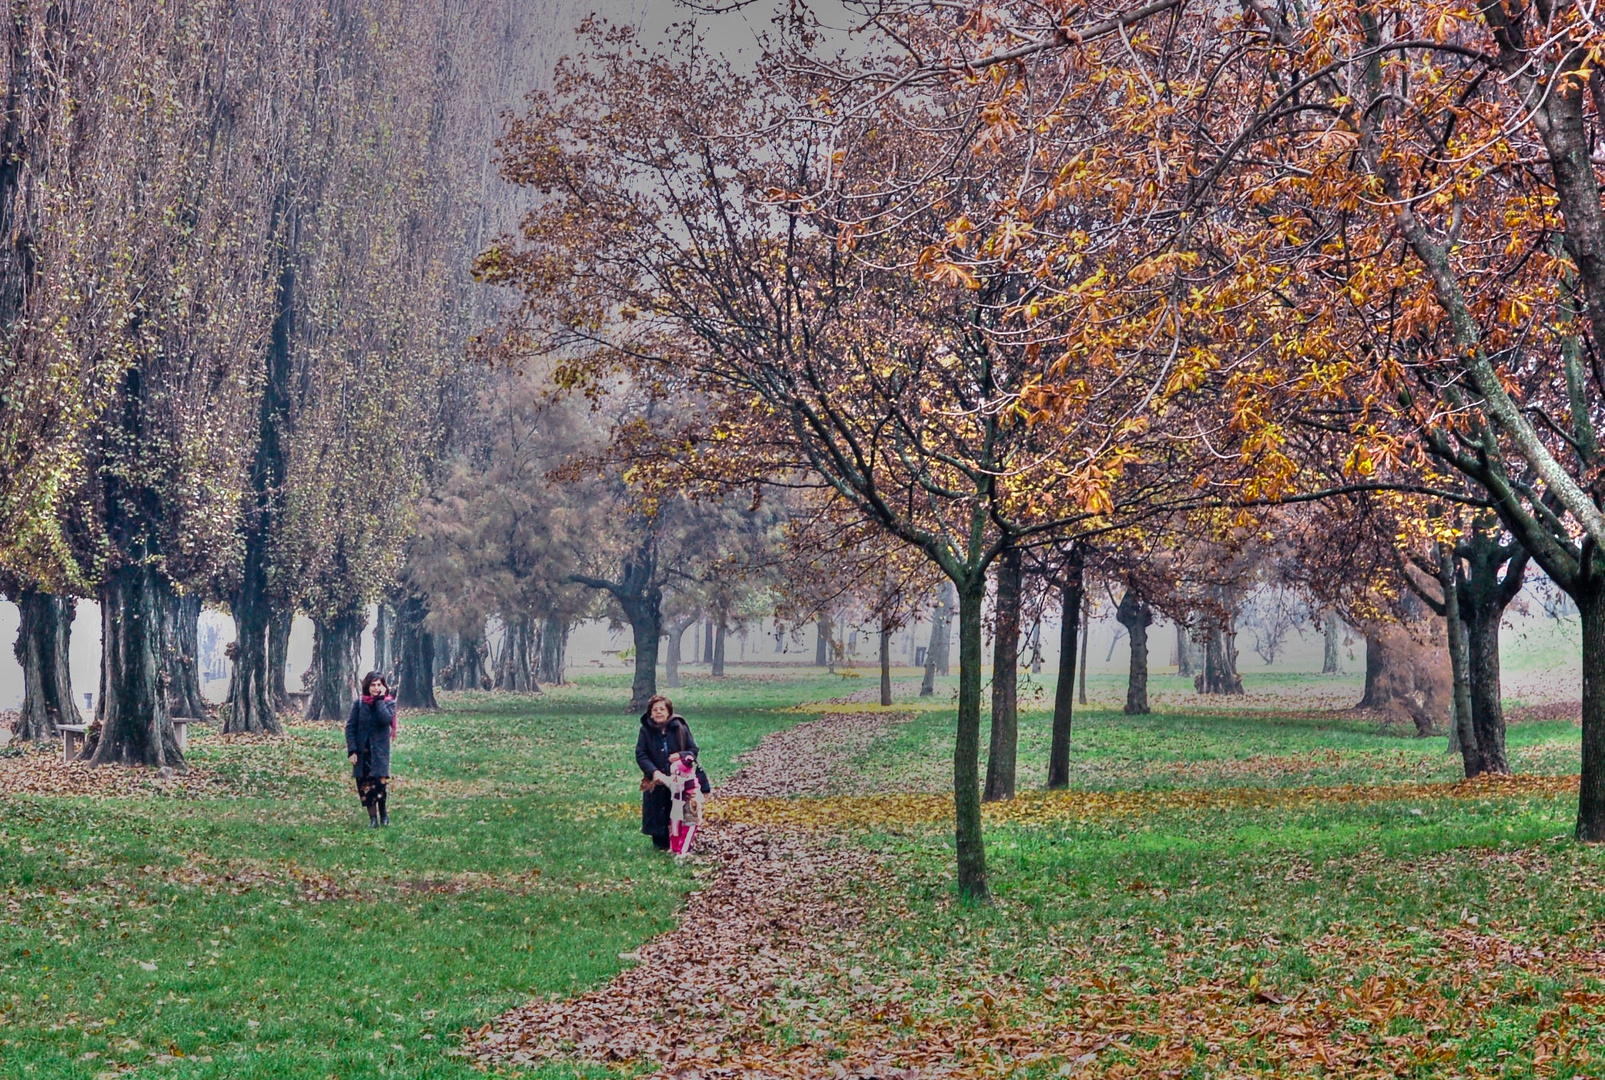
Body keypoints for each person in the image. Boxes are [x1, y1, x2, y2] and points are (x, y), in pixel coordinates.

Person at [635, 694, 706, 850]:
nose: (659, 712)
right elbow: (641, 754)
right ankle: (660, 842)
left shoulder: (680, 727)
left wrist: (681, 756)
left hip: (679, 780)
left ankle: (679, 843)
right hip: (656, 779)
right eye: (655, 710)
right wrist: (654, 772)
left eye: (662, 709)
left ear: (669, 712)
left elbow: (693, 750)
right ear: (650, 713)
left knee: (678, 810)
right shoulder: (645, 730)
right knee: (656, 809)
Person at [346, 671, 396, 827]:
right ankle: (373, 819)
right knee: (365, 787)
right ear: (367, 686)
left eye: (379, 684)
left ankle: (384, 815)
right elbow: (350, 727)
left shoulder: (389, 702)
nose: (375, 688)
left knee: (380, 784)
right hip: (363, 752)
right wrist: (352, 750)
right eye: (373, 685)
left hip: (379, 752)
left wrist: (379, 700)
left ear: (383, 686)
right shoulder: (359, 704)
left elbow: (385, 719)